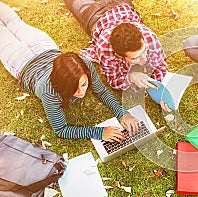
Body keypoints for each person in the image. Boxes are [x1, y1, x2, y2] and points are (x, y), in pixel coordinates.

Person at [0, 1, 140, 142]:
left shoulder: (84, 64)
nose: (81, 92)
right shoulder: (49, 91)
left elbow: (101, 91)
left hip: (42, 45)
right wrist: (99, 132)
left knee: (13, 22)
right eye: (74, 87)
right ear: (61, 84)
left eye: (84, 84)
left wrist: (122, 113)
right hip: (18, 60)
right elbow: (61, 129)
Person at [64, 0, 171, 111]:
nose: (144, 59)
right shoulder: (104, 49)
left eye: (144, 51)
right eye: (135, 58)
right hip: (95, 16)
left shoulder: (149, 37)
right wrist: (131, 77)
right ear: (119, 56)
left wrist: (158, 92)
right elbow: (113, 80)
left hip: (122, 5)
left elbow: (160, 66)